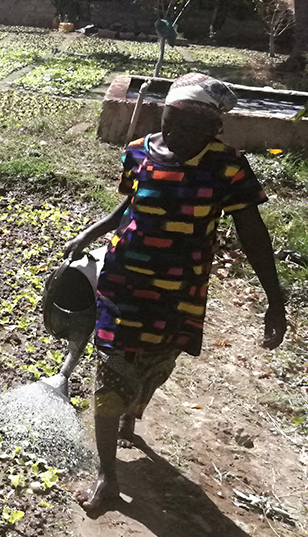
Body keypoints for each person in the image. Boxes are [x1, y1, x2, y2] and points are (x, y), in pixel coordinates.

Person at [62, 73, 286, 510]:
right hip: (123, 283)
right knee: (110, 375)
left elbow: (252, 233)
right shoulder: (140, 152)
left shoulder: (227, 166)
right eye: (169, 118)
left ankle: (132, 411)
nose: (173, 130)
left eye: (186, 124)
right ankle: (108, 477)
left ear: (213, 127)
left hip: (178, 291)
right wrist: (90, 233)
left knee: (156, 365)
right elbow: (131, 204)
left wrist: (275, 299)